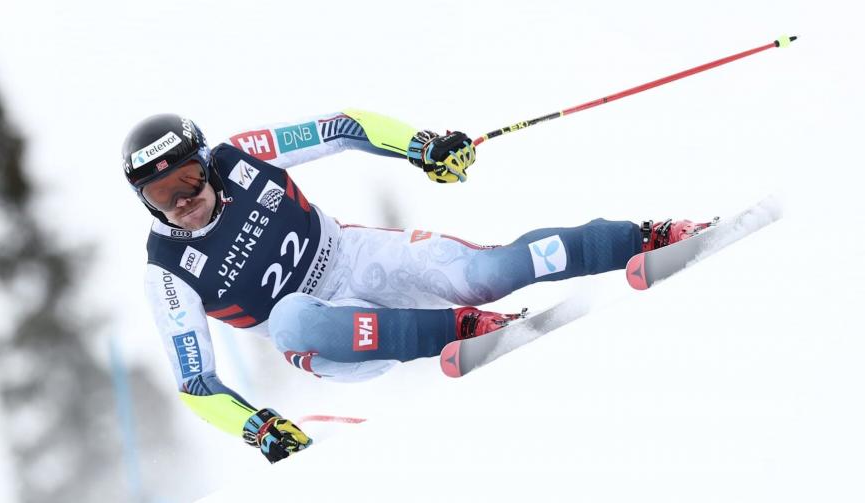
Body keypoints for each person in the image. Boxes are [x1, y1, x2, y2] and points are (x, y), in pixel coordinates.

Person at [122, 110, 709, 463]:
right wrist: (259, 429)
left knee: (485, 275)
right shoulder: (166, 270)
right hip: (331, 339)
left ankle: (643, 238)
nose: (182, 203)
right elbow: (196, 383)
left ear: (207, 162)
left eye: (188, 180)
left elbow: (343, 126)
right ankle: (459, 331)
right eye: (161, 196)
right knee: (291, 318)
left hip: (355, 257)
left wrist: (419, 146)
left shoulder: (242, 156)